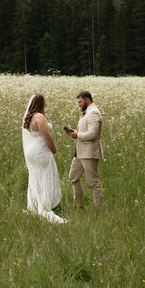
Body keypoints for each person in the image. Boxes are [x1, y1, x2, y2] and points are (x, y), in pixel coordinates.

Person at [21, 94, 65, 223]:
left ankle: (35, 203)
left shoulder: (30, 118)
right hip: (40, 150)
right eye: (44, 102)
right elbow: (47, 136)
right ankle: (43, 205)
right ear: (40, 103)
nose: (46, 104)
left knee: (36, 177)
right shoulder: (39, 117)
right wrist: (54, 149)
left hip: (32, 150)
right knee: (44, 176)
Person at [65, 91, 103, 208]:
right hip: (79, 153)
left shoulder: (94, 113)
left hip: (89, 153)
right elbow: (85, 131)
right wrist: (74, 132)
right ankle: (78, 206)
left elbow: (93, 134)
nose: (79, 104)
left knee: (93, 182)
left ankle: (98, 209)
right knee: (73, 177)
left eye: (80, 102)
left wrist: (77, 135)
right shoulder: (86, 113)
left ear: (87, 100)